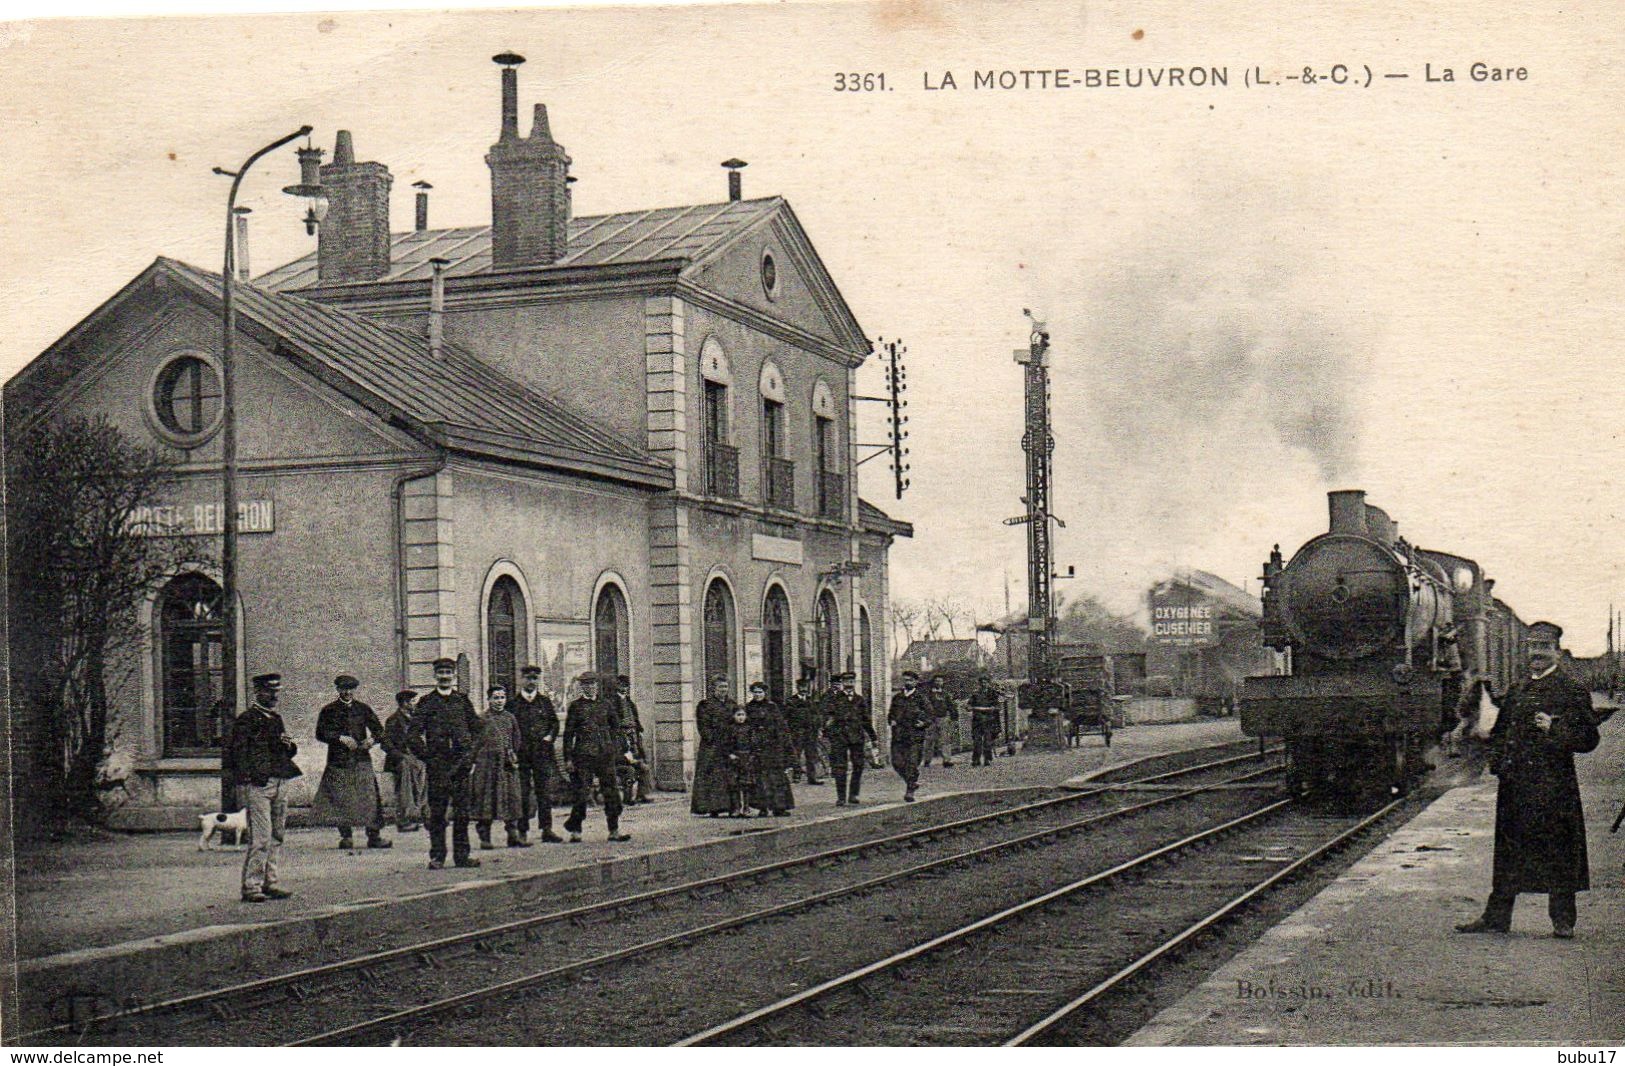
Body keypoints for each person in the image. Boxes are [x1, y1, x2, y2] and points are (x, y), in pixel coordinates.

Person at [1457, 622, 1600, 938]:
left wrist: (1555, 729)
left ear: (1557, 653)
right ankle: (1497, 917)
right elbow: (1500, 733)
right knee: (1509, 850)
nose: (1536, 653)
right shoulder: (1517, 690)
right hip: (1516, 784)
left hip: (1553, 786)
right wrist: (1493, 755)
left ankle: (1563, 921)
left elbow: (1590, 739)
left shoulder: (1572, 690)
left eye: (1544, 647)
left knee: (1559, 851)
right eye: (1532, 646)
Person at [222, 673, 300, 903]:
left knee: (277, 834)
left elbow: (283, 750)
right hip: (259, 784)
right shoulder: (246, 720)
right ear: (258, 693)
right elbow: (238, 754)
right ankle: (251, 885)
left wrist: (289, 746)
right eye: (269, 692)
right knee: (261, 837)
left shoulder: (276, 719)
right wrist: (248, 780)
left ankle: (270, 882)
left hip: (280, 781)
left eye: (276, 691)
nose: (274, 696)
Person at [412, 657, 481, 869]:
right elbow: (413, 735)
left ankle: (462, 856)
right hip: (438, 766)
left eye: (448, 673)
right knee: (438, 814)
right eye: (441, 673)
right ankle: (437, 856)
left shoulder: (462, 701)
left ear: (454, 676)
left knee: (462, 813)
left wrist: (470, 757)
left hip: (461, 765)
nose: (445, 677)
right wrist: (428, 757)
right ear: (435, 676)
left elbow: (478, 731)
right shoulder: (427, 703)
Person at [310, 674, 391, 851]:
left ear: (355, 690)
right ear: (337, 689)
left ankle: (374, 836)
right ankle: (346, 836)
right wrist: (339, 738)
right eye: (343, 688)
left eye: (350, 689)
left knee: (370, 796)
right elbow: (320, 733)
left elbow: (379, 730)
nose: (347, 692)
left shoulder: (363, 709)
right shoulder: (328, 710)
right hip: (338, 761)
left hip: (361, 758)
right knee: (341, 798)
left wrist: (373, 740)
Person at [563, 672, 632, 842]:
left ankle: (614, 830)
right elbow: (568, 734)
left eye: (592, 684)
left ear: (597, 685)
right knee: (581, 793)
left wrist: (619, 748)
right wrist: (568, 759)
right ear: (581, 687)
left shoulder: (606, 704)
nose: (590, 687)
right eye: (586, 684)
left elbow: (617, 728)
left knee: (612, 793)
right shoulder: (576, 707)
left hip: (605, 755)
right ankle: (576, 830)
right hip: (583, 755)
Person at [470, 684, 528, 849]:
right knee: (487, 800)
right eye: (495, 698)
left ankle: (513, 835)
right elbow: (475, 742)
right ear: (488, 699)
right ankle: (485, 837)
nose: (499, 701)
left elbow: (517, 738)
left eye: (502, 697)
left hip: (506, 765)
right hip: (487, 766)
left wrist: (513, 753)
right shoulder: (481, 719)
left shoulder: (510, 718)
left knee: (511, 799)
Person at [510, 664, 563, 844]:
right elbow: (510, 729)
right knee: (523, 792)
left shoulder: (544, 702)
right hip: (522, 754)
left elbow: (554, 724)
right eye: (528, 678)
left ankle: (546, 829)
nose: (531, 682)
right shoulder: (514, 704)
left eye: (535, 678)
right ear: (521, 680)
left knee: (544, 792)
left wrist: (549, 738)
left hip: (542, 753)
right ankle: (522, 830)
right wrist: (513, 749)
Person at [824, 672, 877, 806]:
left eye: (851, 682)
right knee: (840, 767)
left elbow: (866, 719)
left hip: (856, 737)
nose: (849, 685)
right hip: (840, 737)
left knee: (858, 765)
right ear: (842, 684)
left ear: (854, 683)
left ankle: (853, 794)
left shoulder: (860, 700)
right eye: (846, 682)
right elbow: (828, 719)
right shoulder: (835, 700)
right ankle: (841, 797)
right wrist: (831, 734)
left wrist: (873, 736)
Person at [746, 680, 795, 816]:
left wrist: (781, 744)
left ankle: (779, 807)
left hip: (773, 747)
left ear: (765, 693)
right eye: (755, 692)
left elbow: (781, 727)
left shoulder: (772, 707)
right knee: (760, 779)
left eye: (760, 692)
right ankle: (762, 808)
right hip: (757, 748)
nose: (757, 695)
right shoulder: (748, 708)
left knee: (777, 778)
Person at [691, 674, 736, 816]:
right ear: (713, 688)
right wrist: (713, 739)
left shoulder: (732, 705)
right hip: (712, 746)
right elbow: (703, 726)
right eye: (720, 687)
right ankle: (711, 808)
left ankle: (729, 807)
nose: (723, 690)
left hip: (728, 745)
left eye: (725, 686)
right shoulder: (705, 705)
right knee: (711, 776)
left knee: (729, 776)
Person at [381, 689, 426, 832]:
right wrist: (401, 757)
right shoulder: (393, 720)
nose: (415, 704)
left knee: (421, 788)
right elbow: (386, 743)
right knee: (403, 791)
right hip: (400, 762)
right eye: (413, 701)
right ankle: (403, 821)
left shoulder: (414, 719)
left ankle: (420, 816)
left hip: (415, 760)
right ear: (405, 703)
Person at [889, 670, 934, 802]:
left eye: (909, 680)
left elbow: (930, 714)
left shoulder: (921, 698)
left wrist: (924, 723)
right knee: (897, 762)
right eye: (905, 680)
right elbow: (891, 713)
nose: (907, 683)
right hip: (899, 735)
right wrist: (891, 720)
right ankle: (912, 782)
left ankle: (910, 790)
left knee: (912, 763)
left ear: (915, 682)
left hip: (915, 736)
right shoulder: (897, 698)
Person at [615, 675, 655, 805]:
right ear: (617, 685)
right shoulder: (612, 704)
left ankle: (642, 794)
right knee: (630, 767)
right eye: (622, 685)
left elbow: (636, 721)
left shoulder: (630, 703)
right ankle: (628, 797)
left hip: (633, 739)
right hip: (620, 741)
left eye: (626, 686)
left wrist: (637, 732)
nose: (624, 688)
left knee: (644, 765)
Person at [783, 675, 820, 784]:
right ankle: (796, 776)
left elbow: (816, 716)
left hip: (810, 733)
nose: (804, 689)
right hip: (797, 732)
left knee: (811, 755)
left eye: (806, 687)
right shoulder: (791, 701)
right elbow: (787, 717)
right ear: (797, 687)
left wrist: (818, 729)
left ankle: (812, 778)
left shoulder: (811, 701)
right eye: (801, 687)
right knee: (796, 755)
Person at [722, 703, 756, 817]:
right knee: (733, 784)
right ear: (733, 716)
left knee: (746, 784)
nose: (740, 717)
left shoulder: (749, 729)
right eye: (738, 715)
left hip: (746, 758)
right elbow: (725, 744)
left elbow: (754, 744)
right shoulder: (730, 729)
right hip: (734, 759)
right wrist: (729, 754)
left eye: (742, 715)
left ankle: (746, 808)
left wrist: (752, 755)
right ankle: (736, 808)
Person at [968, 675, 1001, 767]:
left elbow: (997, 706)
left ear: (988, 683)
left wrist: (992, 708)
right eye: (982, 682)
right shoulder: (975, 694)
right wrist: (970, 707)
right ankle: (976, 760)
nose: (983, 684)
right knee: (977, 741)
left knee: (987, 741)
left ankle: (988, 759)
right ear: (979, 683)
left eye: (985, 682)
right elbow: (969, 705)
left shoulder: (993, 693)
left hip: (988, 720)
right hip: (977, 721)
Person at [924, 677, 956, 767]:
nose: (938, 682)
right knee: (929, 740)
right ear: (933, 682)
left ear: (943, 682)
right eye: (937, 681)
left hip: (943, 718)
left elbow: (951, 705)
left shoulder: (945, 694)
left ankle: (946, 760)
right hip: (931, 720)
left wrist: (953, 716)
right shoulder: (928, 694)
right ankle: (927, 760)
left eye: (940, 681)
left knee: (945, 740)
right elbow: (924, 706)